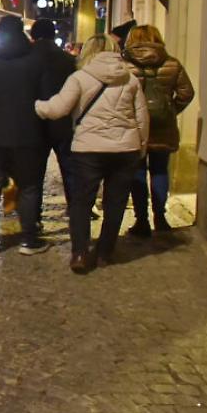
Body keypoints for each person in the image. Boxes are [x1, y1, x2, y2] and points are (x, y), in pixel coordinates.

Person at [35, 34, 148, 272]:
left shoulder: (79, 78)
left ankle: (79, 253)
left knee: (81, 202)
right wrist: (141, 147)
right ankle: (105, 251)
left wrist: (37, 106)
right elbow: (141, 118)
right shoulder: (130, 80)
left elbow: (58, 109)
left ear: (87, 51)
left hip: (88, 149)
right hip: (125, 149)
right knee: (115, 202)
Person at [0, 16, 51, 256]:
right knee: (28, 186)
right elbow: (44, 96)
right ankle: (27, 239)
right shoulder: (35, 60)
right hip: (27, 133)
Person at [122, 24, 195, 236]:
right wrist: (171, 110)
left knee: (137, 171)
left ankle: (142, 221)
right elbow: (186, 93)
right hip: (164, 125)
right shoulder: (172, 63)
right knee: (160, 170)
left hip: (134, 125)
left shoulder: (124, 64)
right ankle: (160, 219)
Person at [30, 19, 77, 207]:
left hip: (35, 121)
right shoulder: (69, 60)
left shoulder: (27, 58)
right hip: (63, 121)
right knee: (69, 170)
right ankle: (76, 212)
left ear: (33, 35)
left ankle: (33, 216)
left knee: (34, 173)